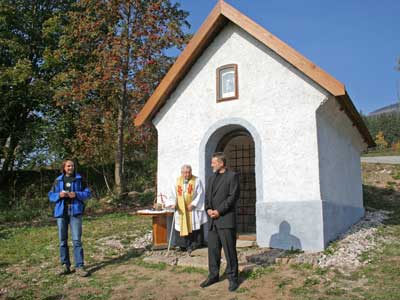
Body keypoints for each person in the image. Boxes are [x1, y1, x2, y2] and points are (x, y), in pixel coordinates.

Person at [200, 152, 240, 292]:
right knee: (213, 251)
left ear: (221, 163)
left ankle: (233, 278)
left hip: (225, 220)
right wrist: (209, 209)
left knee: (229, 251)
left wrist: (219, 211)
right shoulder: (211, 178)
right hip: (212, 221)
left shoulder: (232, 176)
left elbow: (232, 197)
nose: (211, 165)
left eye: (214, 162)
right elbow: (207, 197)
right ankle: (213, 275)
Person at [48, 159, 91, 277]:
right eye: (68, 166)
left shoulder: (80, 179)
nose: (70, 168)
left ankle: (80, 267)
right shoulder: (58, 180)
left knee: (77, 241)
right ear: (64, 168)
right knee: (62, 241)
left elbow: (88, 193)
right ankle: (65, 266)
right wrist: (59, 195)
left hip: (75, 212)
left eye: (72, 166)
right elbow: (50, 195)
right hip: (61, 213)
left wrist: (77, 194)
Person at [166, 164, 207, 255]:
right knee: (181, 226)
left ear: (191, 172)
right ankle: (182, 245)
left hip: (192, 209)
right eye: (185, 173)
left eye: (188, 172)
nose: (187, 174)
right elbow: (172, 194)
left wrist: (193, 204)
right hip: (181, 209)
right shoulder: (176, 181)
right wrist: (173, 203)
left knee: (192, 226)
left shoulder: (197, 180)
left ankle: (193, 244)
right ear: (181, 173)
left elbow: (201, 194)